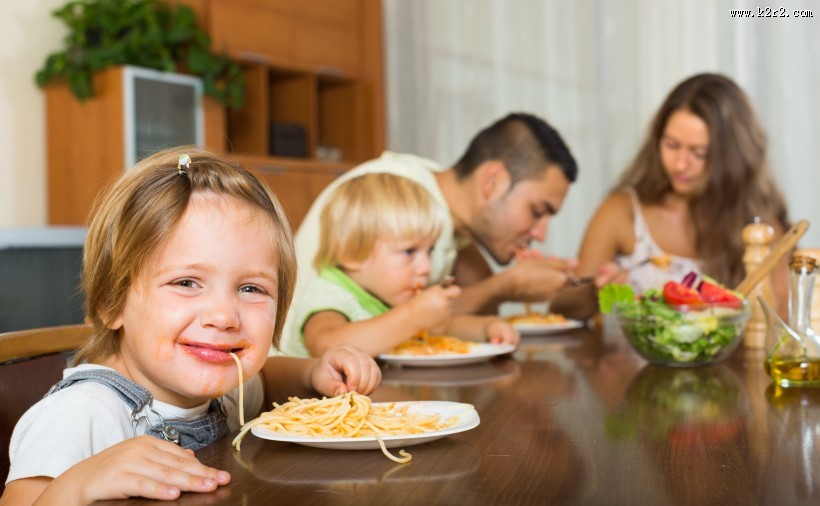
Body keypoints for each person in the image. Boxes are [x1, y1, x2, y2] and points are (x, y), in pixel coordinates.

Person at [1, 148, 381, 505]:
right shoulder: (82, 414)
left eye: (251, 288)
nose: (224, 316)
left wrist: (313, 373)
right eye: (186, 283)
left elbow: (266, 380)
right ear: (111, 303)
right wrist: (79, 483)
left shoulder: (226, 392)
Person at [286, 112, 582, 345]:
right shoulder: (400, 199)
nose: (540, 234)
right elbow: (435, 310)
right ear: (493, 181)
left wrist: (512, 292)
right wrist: (508, 285)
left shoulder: (441, 209)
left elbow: (447, 313)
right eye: (537, 212)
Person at [550, 73, 790, 320]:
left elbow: (781, 319)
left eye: (699, 153)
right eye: (672, 145)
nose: (680, 164)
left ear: (733, 159)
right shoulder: (623, 212)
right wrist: (594, 290)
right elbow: (562, 310)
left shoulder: (760, 228)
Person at [281, 173, 519, 358]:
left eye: (430, 250)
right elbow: (326, 346)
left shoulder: (389, 295)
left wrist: (486, 328)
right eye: (409, 251)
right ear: (351, 253)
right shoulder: (329, 294)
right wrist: (412, 316)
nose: (426, 267)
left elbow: (442, 327)